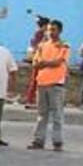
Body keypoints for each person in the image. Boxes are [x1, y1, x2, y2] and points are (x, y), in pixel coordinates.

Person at [29, 19, 69, 151]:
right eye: (49, 30)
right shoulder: (42, 46)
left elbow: (58, 62)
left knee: (57, 115)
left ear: (60, 31)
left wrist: (44, 63)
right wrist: (46, 63)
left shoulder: (64, 46)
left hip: (56, 84)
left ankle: (57, 142)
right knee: (42, 115)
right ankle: (38, 140)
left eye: (53, 30)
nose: (50, 32)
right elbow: (35, 63)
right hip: (42, 83)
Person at [22, 15, 49, 108]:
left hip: (43, 60)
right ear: (44, 26)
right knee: (36, 81)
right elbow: (37, 46)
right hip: (39, 61)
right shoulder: (39, 34)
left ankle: (35, 100)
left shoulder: (43, 34)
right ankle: (30, 100)